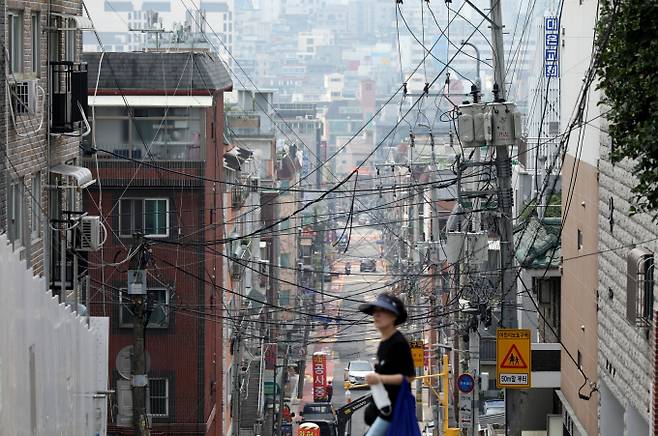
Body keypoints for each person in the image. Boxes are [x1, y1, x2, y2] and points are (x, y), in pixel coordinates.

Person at [358, 293, 415, 436]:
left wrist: (379, 379)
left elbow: (409, 377)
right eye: (375, 312)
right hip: (382, 408)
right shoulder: (384, 343)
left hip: (394, 411)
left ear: (393, 316)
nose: (376, 315)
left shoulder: (399, 343)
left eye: (382, 311)